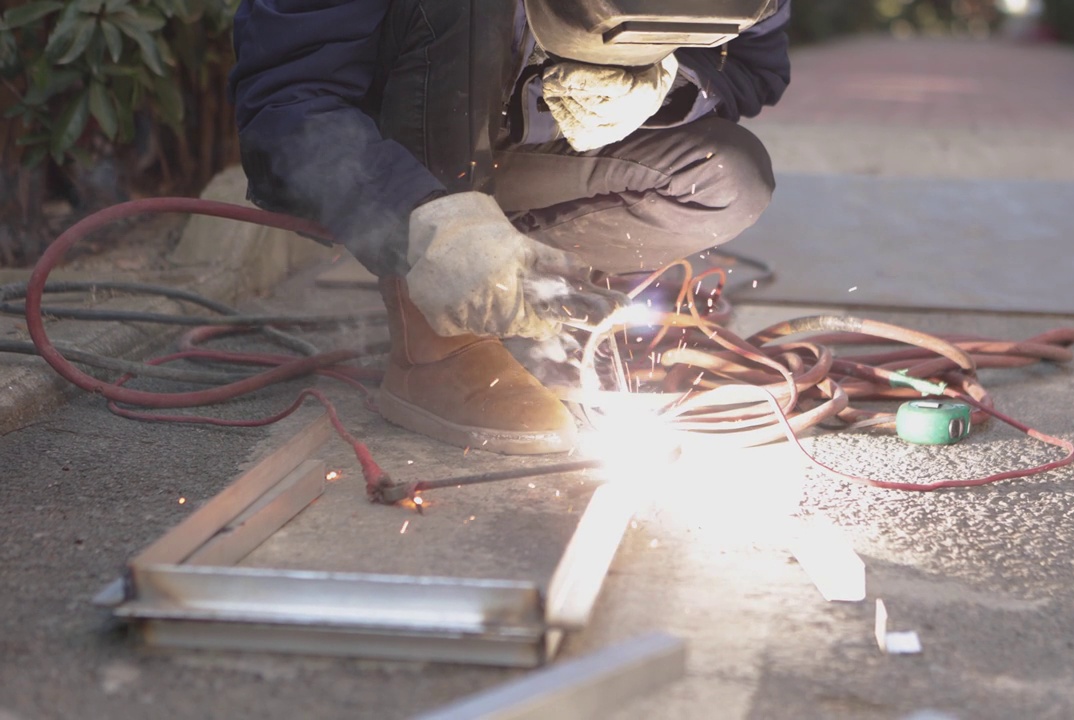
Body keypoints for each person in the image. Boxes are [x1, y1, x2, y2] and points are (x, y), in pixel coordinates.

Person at [230, 0, 792, 455]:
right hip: (391, 158)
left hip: (529, 159)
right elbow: (286, 108)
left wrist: (665, 84)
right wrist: (424, 220)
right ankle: (435, 343)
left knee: (726, 180)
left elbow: (755, 69)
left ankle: (529, 293)